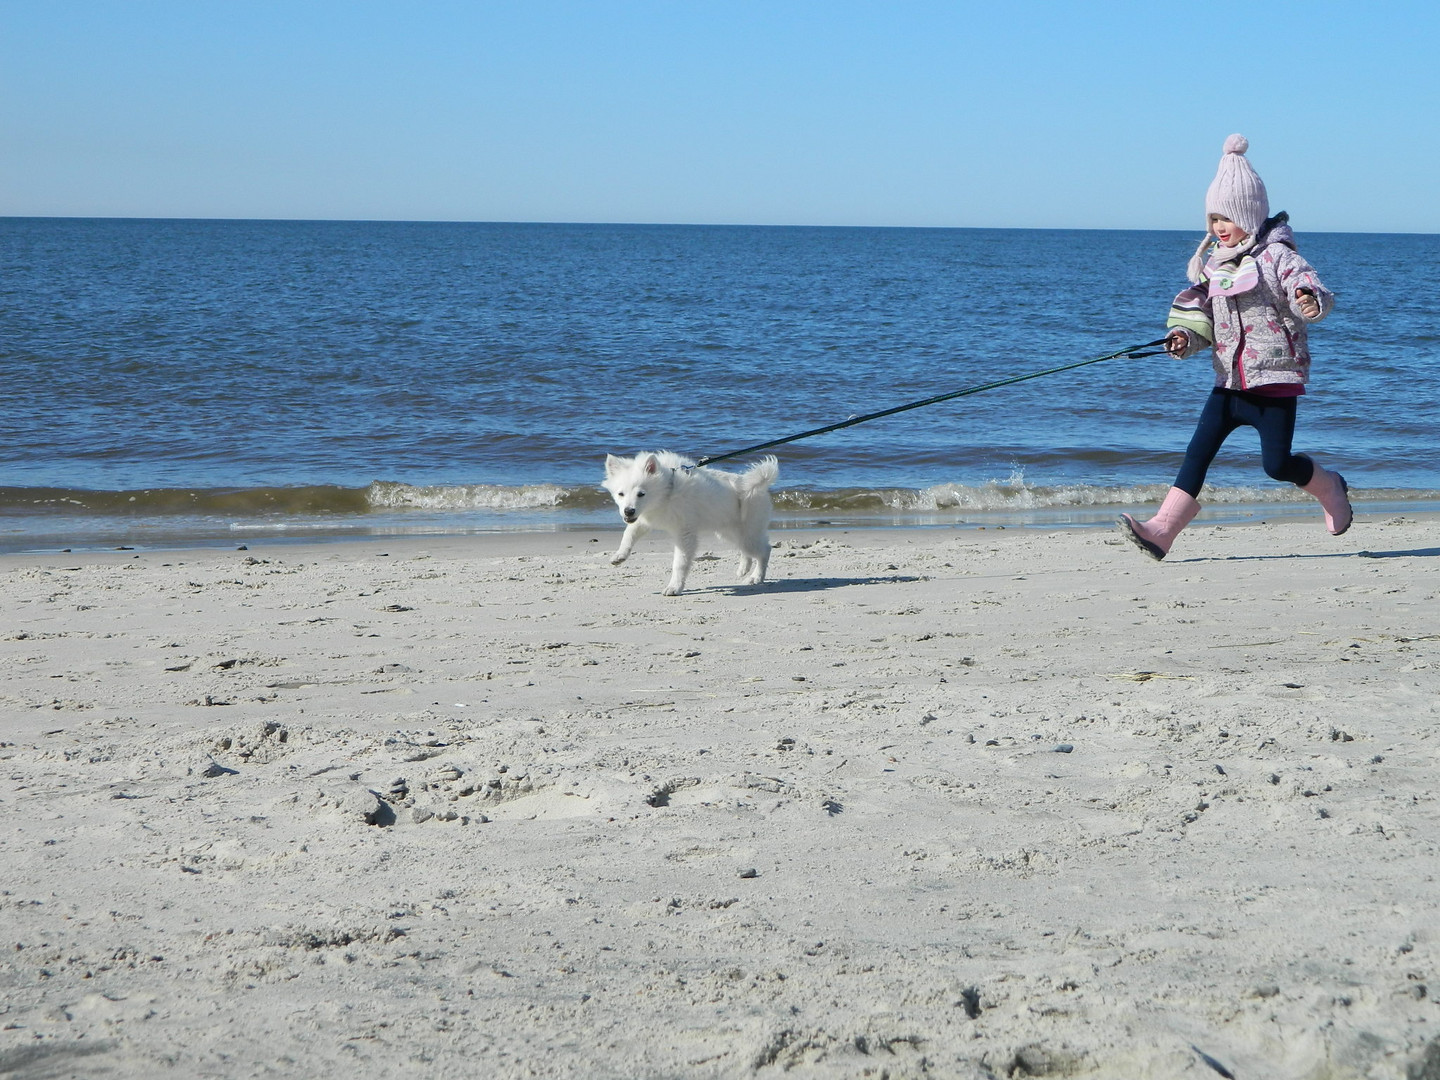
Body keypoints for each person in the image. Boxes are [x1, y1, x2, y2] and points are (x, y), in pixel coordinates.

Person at [1119, 134, 1351, 561]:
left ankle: (1329, 485)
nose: (1218, 227)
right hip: (1228, 380)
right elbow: (1203, 313)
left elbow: (1311, 283)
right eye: (1213, 219)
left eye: (1226, 217)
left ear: (1249, 213)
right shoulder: (1217, 265)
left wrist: (1308, 298)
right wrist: (1185, 337)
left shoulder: (1277, 255)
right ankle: (1162, 530)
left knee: (1277, 466)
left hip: (1273, 380)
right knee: (1197, 451)